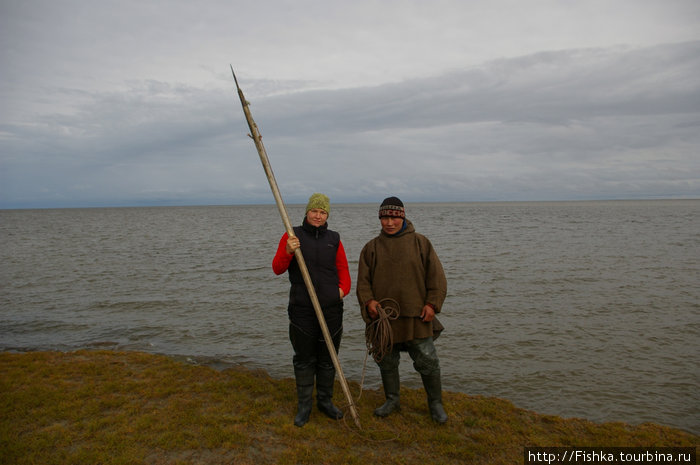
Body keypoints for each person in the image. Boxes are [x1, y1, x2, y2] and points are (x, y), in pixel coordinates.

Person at [356, 196, 448, 423]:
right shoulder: (371, 248)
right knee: (386, 360)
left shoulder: (421, 243)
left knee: (427, 360)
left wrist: (432, 304)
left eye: (394, 217)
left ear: (403, 216)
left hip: (416, 316)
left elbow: (436, 277)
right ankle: (392, 400)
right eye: (384, 217)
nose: (389, 222)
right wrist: (369, 303)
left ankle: (435, 404)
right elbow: (363, 283)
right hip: (384, 319)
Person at [272, 193, 351, 427]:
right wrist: (288, 250)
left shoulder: (334, 239)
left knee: (328, 358)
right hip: (302, 309)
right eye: (314, 211)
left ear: (327, 215)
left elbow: (343, 270)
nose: (318, 216)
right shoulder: (292, 235)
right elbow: (277, 268)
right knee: (304, 359)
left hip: (331, 309)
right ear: (307, 212)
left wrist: (341, 291)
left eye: (323, 212)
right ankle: (304, 406)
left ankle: (325, 402)